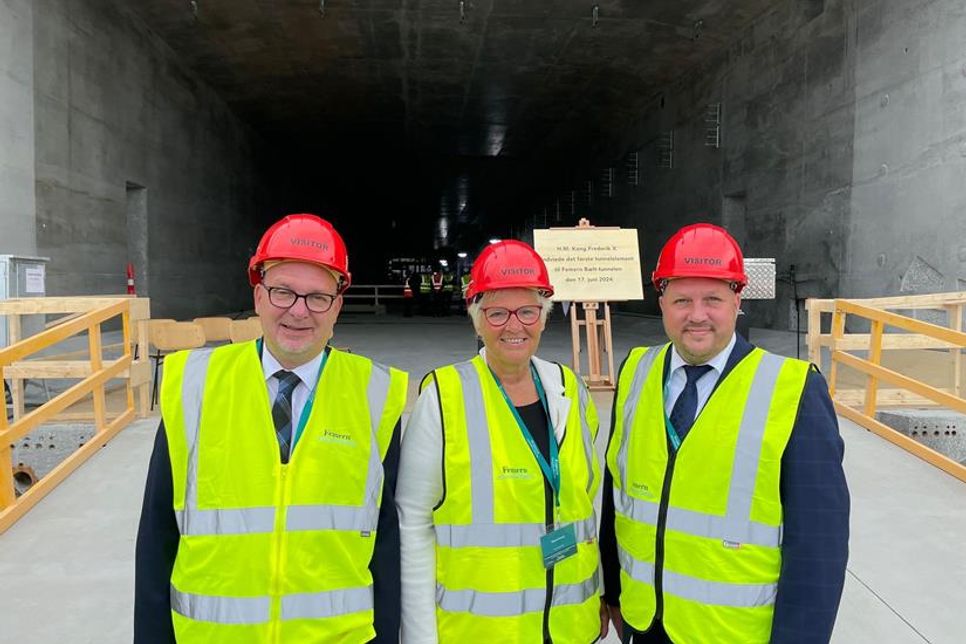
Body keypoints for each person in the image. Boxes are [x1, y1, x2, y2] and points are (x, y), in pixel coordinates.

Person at [134, 213, 408, 643]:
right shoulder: (195, 387)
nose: (298, 312)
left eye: (317, 297)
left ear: (337, 305)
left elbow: (388, 544)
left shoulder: (376, 394)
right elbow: (157, 536)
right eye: (283, 292)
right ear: (258, 294)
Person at [599, 223, 850, 644]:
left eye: (712, 299)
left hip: (733, 633)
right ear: (661, 301)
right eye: (682, 300)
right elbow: (617, 492)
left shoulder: (792, 389)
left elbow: (819, 544)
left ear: (737, 299)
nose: (697, 315)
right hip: (645, 624)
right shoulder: (636, 371)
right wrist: (614, 591)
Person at [396, 240, 602, 643]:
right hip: (482, 631)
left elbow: (583, 502)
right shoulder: (443, 397)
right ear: (476, 320)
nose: (514, 325)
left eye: (528, 311)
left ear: (543, 318)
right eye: (496, 313)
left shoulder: (570, 390)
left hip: (570, 627)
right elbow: (414, 525)